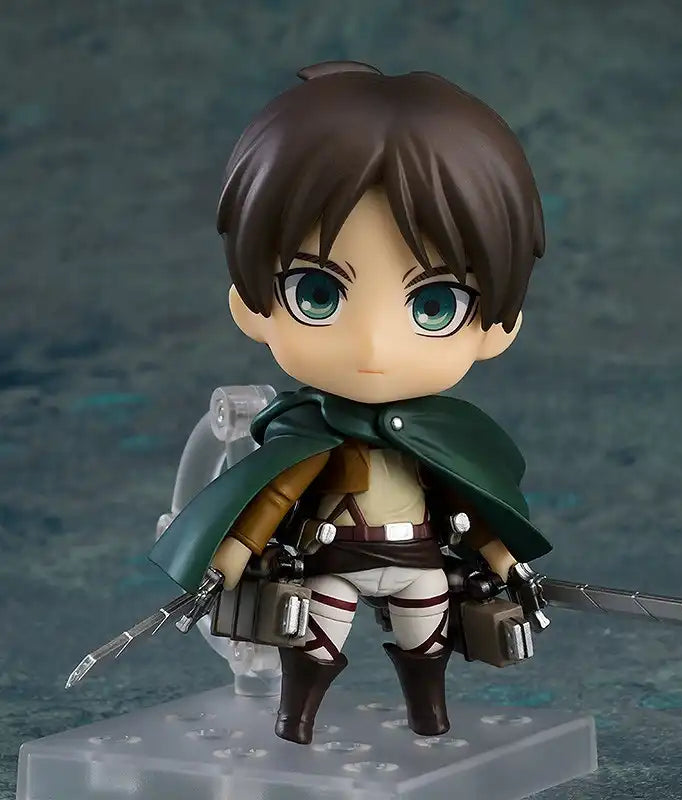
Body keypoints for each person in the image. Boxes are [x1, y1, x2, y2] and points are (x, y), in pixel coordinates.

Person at [149, 60, 552, 745]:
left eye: (434, 305)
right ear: (252, 305)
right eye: (318, 294)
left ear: (497, 328)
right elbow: (275, 496)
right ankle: (295, 720)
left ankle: (429, 717)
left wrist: (504, 558)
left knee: (428, 643)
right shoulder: (309, 433)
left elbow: (465, 500)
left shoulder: (445, 441)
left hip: (420, 561)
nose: (372, 345)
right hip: (336, 558)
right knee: (312, 643)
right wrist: (230, 559)